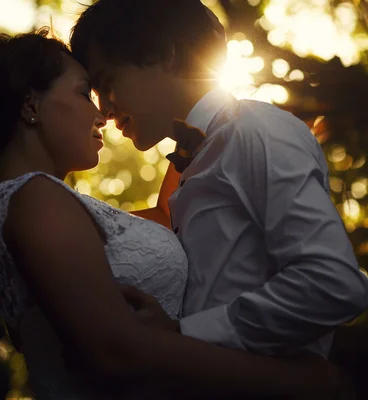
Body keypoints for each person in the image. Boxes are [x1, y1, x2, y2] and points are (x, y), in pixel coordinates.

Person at [0, 28, 342, 398]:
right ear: (31, 105)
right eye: (82, 93)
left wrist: (197, 136)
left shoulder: (46, 205)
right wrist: (297, 381)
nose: (102, 114)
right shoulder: (35, 200)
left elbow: (170, 220)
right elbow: (117, 352)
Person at [70, 0, 368, 362]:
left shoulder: (257, 132)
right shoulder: (191, 161)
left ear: (165, 55)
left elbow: (332, 284)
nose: (102, 109)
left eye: (107, 82)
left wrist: (185, 335)